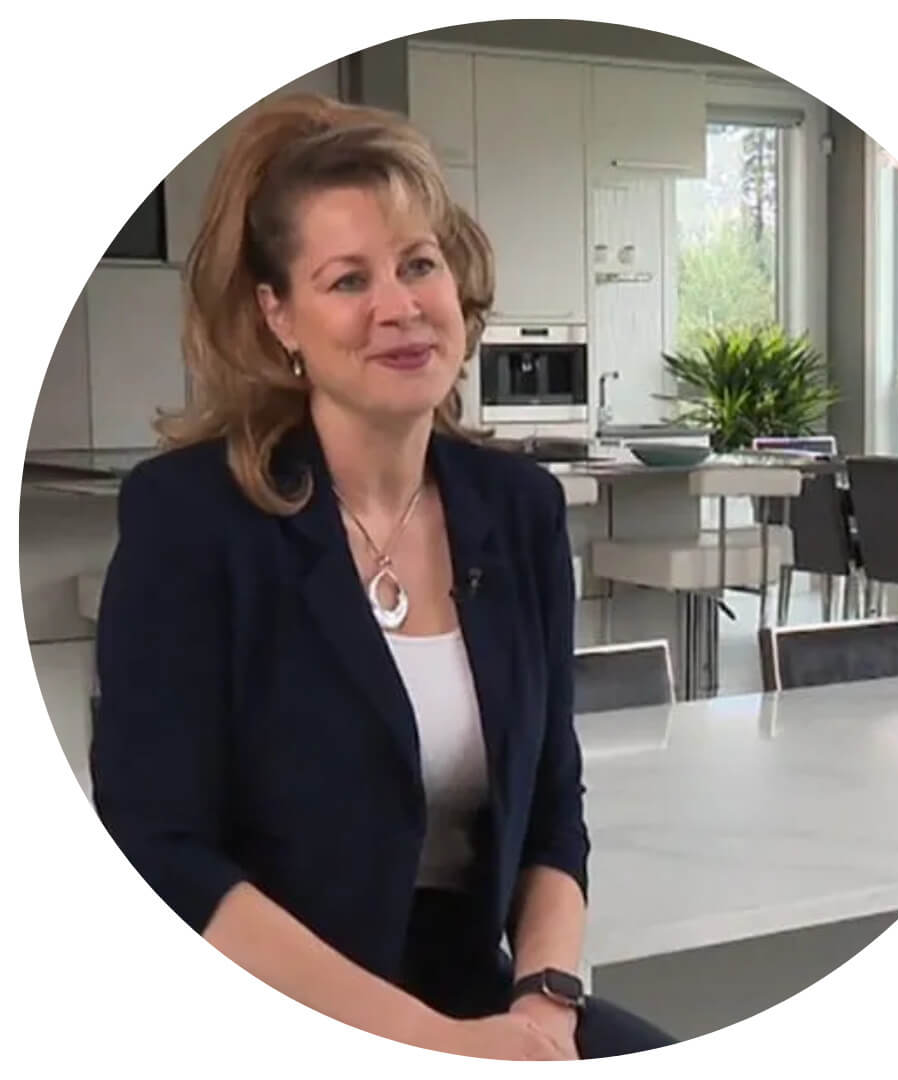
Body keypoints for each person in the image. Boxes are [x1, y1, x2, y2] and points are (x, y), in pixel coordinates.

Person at [90, 92, 675, 1060]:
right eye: (347, 280)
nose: (399, 307)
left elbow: (552, 805)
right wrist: (423, 1043)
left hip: (477, 990)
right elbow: (163, 849)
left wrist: (544, 1007)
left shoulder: (518, 506)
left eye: (418, 265)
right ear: (279, 316)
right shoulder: (193, 516)